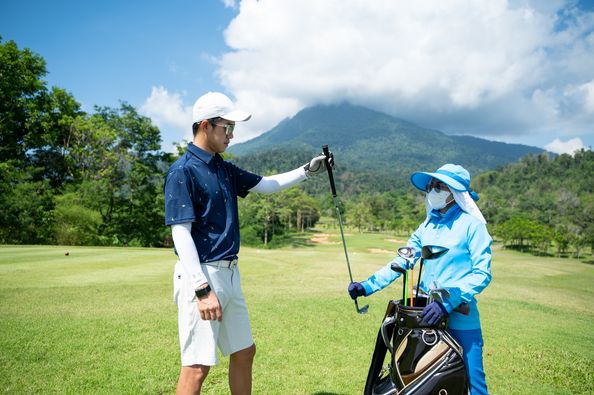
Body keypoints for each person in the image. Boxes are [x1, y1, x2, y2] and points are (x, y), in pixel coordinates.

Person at [164, 92, 331, 395]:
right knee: (197, 367)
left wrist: (306, 171)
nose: (231, 135)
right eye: (226, 127)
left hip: (230, 273)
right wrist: (202, 290)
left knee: (244, 351)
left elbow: (266, 184)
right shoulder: (183, 171)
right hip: (201, 275)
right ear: (205, 125)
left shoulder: (223, 168)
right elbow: (180, 233)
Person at [348, 164, 492, 395]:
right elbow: (402, 261)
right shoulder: (427, 225)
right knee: (421, 379)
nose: (432, 190)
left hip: (460, 319)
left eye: (439, 186)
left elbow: (482, 274)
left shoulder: (473, 226)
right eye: (430, 186)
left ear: (455, 192)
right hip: (425, 316)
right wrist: (367, 285)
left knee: (474, 385)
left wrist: (449, 301)